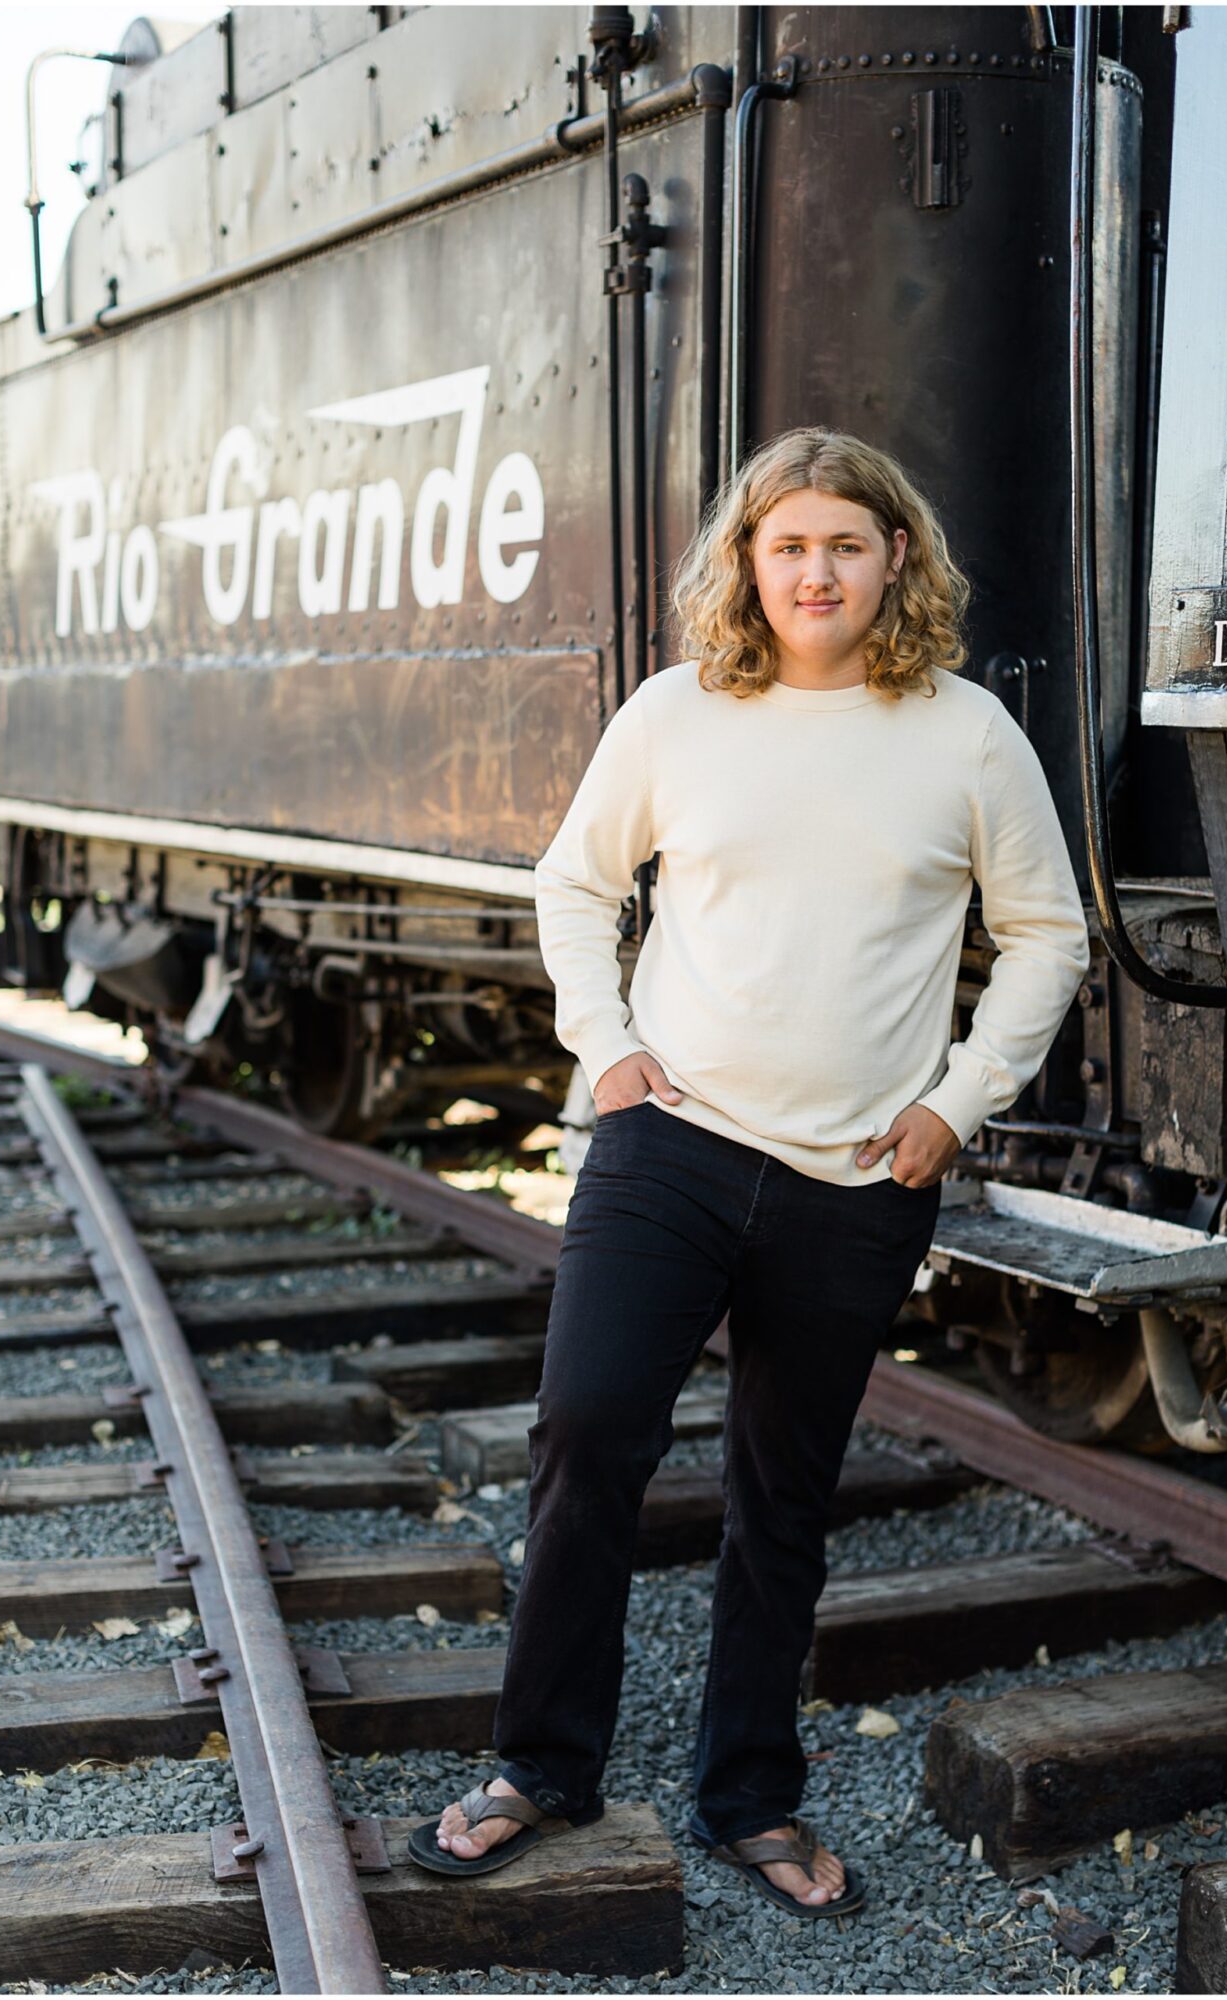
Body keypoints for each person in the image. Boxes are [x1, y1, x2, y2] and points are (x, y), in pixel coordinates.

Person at [407, 428, 1091, 1918]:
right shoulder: (675, 715)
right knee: (587, 1430)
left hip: (859, 1175)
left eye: (845, 543)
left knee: (781, 1491)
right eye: (788, 546)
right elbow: (576, 885)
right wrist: (603, 1048)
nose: (816, 571)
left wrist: (956, 1106)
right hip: (674, 1142)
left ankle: (749, 1796)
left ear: (893, 557)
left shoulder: (964, 732)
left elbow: (1047, 935)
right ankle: (542, 1768)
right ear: (749, 564)